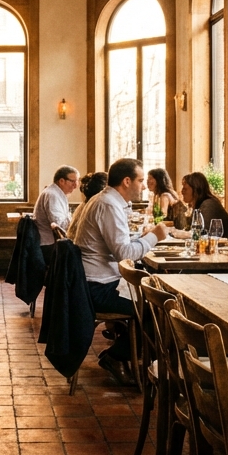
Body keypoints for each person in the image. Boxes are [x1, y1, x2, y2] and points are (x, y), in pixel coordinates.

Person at [71, 158, 168, 383]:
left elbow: (118, 244)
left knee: (154, 295)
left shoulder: (107, 200)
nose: (144, 186)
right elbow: (124, 253)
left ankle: (132, 356)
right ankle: (119, 357)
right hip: (96, 288)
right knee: (158, 306)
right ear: (126, 181)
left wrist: (142, 238)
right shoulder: (108, 204)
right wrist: (155, 236)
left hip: (98, 281)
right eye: (141, 181)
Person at [174, 172, 228, 244]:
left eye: (185, 188)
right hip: (219, 248)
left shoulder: (209, 204)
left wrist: (179, 233)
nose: (182, 191)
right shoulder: (199, 206)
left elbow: (203, 234)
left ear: (196, 190)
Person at [34, 165, 79, 262]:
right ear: (62, 181)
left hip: (51, 242)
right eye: (73, 181)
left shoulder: (56, 193)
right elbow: (58, 225)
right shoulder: (52, 195)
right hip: (49, 245)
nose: (76, 186)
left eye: (77, 181)